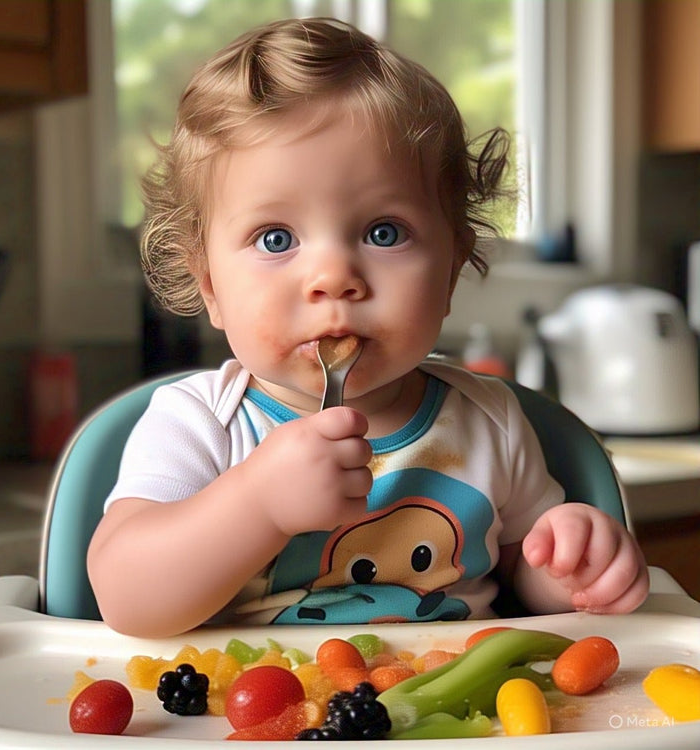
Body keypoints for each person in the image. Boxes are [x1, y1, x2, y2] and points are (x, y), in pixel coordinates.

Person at [87, 17, 648, 637]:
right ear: (211, 287)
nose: (334, 277)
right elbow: (127, 598)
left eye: (384, 232)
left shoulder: (491, 424)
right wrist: (257, 505)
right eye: (275, 239)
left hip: (450, 697)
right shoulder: (200, 426)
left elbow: (521, 578)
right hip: (251, 697)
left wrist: (570, 567)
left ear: (452, 270)